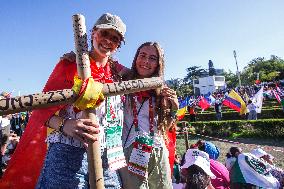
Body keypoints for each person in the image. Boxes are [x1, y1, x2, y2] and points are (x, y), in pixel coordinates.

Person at [0, 13, 127, 189]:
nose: (108, 41)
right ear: (93, 33)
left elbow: (144, 72)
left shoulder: (118, 74)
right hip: (67, 156)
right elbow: (39, 112)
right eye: (104, 33)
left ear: (118, 45)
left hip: (108, 159)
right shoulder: (70, 66)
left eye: (115, 38)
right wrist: (64, 124)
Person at [118, 42, 179, 189]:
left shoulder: (161, 90)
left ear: (158, 63)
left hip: (158, 150)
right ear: (136, 58)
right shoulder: (123, 82)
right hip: (131, 149)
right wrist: (77, 56)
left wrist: (174, 109)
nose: (146, 61)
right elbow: (102, 60)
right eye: (142, 55)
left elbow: (164, 127)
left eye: (152, 58)